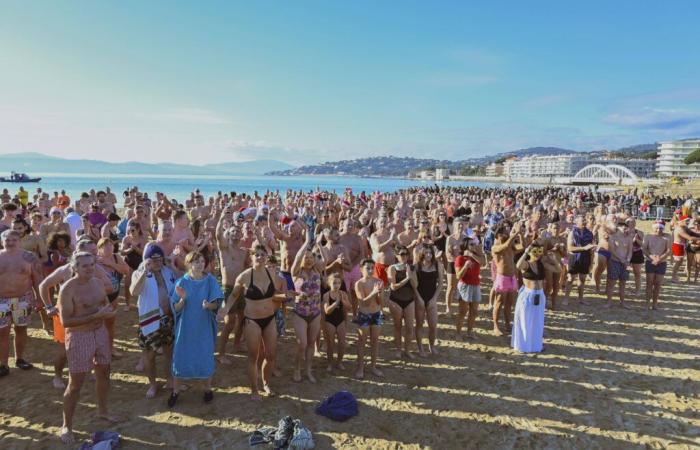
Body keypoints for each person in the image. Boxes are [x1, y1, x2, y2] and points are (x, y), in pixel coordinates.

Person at [57, 251, 121, 444]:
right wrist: (94, 316)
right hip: (79, 337)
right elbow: (65, 321)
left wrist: (107, 313)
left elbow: (104, 305)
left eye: (92, 264)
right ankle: (66, 425)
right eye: (84, 265)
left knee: (104, 372)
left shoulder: (97, 283)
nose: (89, 268)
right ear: (75, 268)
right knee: (75, 384)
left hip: (100, 333)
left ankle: (102, 411)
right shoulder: (68, 289)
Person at [217, 245, 288, 401]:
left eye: (263, 255)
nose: (260, 257)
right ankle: (254, 389)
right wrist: (225, 309)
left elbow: (274, 294)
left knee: (271, 354)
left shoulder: (271, 273)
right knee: (253, 356)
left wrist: (287, 295)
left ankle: (266, 383)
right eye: (257, 255)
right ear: (251, 257)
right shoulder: (244, 276)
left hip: (269, 319)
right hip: (252, 321)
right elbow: (234, 296)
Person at [167, 251, 224, 408]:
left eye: (201, 261)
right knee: (180, 356)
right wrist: (183, 299)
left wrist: (209, 305)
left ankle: (207, 389)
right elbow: (175, 308)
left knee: (204, 355)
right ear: (188, 264)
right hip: (186, 326)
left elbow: (217, 303)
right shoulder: (181, 282)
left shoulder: (211, 280)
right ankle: (176, 391)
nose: (199, 264)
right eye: (195, 261)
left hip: (204, 325)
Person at [131, 244, 178, 398]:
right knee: (149, 355)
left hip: (168, 318)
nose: (157, 262)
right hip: (150, 319)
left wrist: (172, 263)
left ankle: (170, 380)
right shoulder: (140, 273)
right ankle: (153, 384)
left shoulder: (167, 271)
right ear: (147, 260)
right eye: (154, 260)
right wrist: (145, 270)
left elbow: (182, 280)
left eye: (160, 259)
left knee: (169, 352)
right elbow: (134, 291)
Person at [0, 229, 43, 376]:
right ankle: (3, 364)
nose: (10, 243)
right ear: (2, 241)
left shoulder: (29, 257)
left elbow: (37, 279)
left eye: (14, 240)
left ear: (20, 241)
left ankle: (20, 359)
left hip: (23, 299)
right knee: (2, 332)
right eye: (7, 240)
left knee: (21, 328)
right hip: (1, 301)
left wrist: (39, 299)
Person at [215, 214, 249, 364]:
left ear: (242, 235)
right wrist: (222, 216)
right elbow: (217, 235)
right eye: (232, 231)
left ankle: (236, 344)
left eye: (238, 232)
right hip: (227, 288)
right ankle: (221, 353)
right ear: (228, 234)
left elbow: (248, 269)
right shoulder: (224, 249)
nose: (236, 234)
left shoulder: (244, 252)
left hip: (240, 289)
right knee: (229, 322)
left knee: (242, 318)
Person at [291, 230, 323, 383]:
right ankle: (297, 368)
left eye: (311, 258)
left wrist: (318, 244)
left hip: (316, 313)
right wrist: (307, 242)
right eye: (306, 258)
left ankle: (308, 370)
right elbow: (298, 258)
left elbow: (326, 259)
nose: (309, 260)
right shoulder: (296, 272)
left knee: (311, 344)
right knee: (302, 344)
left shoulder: (317, 270)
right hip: (300, 313)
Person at [512, 242, 546, 353]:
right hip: (527, 295)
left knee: (537, 321)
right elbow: (518, 265)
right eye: (535, 251)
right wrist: (526, 251)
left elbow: (558, 269)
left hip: (540, 295)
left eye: (539, 251)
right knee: (524, 320)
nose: (537, 254)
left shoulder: (541, 263)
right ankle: (523, 346)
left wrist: (554, 259)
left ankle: (535, 346)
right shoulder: (526, 264)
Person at [353, 258, 385, 379]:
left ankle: (373, 367)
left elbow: (381, 302)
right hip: (364, 315)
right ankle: (360, 368)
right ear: (361, 269)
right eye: (368, 268)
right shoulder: (359, 284)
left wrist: (378, 294)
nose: (371, 270)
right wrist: (373, 292)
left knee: (375, 341)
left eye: (372, 268)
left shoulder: (379, 281)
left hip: (376, 314)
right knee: (362, 342)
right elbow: (363, 303)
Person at [491, 223, 523, 336]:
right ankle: (495, 326)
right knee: (499, 303)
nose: (507, 234)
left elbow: (522, 247)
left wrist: (520, 235)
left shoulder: (510, 245)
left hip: (512, 277)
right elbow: (504, 246)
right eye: (505, 232)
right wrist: (516, 233)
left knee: (510, 303)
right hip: (502, 277)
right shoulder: (495, 247)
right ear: (499, 235)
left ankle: (507, 324)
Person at [387, 246, 417, 359]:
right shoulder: (392, 268)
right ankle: (398, 350)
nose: (404, 256)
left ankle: (407, 350)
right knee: (398, 326)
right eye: (402, 254)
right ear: (396, 255)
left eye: (406, 254)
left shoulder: (411, 267)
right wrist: (406, 278)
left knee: (410, 327)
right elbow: (393, 287)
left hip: (409, 299)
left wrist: (411, 276)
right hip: (396, 300)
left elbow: (415, 285)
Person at [454, 238, 485, 340]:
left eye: (474, 244)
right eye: (471, 244)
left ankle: (470, 332)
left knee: (474, 311)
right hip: (465, 286)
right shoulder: (460, 258)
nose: (474, 246)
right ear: (466, 246)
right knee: (463, 311)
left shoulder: (476, 256)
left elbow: (483, 262)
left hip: (476, 285)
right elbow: (458, 276)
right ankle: (458, 333)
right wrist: (466, 266)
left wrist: (472, 255)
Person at [414, 245, 442, 355]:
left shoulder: (437, 265)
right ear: (422, 254)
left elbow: (440, 284)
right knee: (419, 325)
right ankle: (420, 348)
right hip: (419, 298)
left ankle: (432, 346)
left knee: (433, 326)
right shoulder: (417, 266)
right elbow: (414, 285)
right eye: (426, 253)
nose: (429, 255)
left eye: (430, 253)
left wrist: (434, 299)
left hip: (432, 298)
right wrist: (419, 299)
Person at [563, 215, 595, 306]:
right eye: (582, 221)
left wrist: (591, 263)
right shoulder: (572, 233)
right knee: (570, 279)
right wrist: (584, 248)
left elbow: (591, 248)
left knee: (582, 279)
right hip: (574, 258)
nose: (584, 222)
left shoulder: (589, 233)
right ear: (577, 223)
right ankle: (566, 299)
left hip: (586, 258)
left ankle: (581, 299)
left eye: (585, 220)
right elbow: (570, 248)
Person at [322, 273, 351, 373]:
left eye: (338, 283)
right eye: (334, 283)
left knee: (342, 343)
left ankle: (339, 362)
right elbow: (327, 311)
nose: (337, 285)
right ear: (329, 283)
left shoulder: (343, 294)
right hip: (329, 321)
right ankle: (330, 363)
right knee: (330, 344)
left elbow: (349, 308)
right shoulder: (326, 295)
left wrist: (344, 301)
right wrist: (336, 303)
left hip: (340, 320)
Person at [642, 221, 671, 310]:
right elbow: (644, 249)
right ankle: (647, 303)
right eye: (657, 228)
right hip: (650, 261)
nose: (658, 230)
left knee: (658, 284)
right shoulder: (648, 236)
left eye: (661, 228)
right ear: (653, 228)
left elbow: (668, 251)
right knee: (649, 283)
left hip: (661, 262)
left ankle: (654, 304)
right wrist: (651, 257)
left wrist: (659, 259)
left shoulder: (667, 237)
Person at [606, 218, 633, 309]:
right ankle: (609, 302)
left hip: (625, 262)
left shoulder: (629, 238)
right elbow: (612, 250)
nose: (625, 228)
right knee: (612, 283)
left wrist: (628, 260)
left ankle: (622, 302)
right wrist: (621, 259)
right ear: (618, 227)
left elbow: (630, 251)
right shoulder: (613, 237)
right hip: (615, 261)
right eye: (623, 227)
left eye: (626, 227)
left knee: (623, 283)